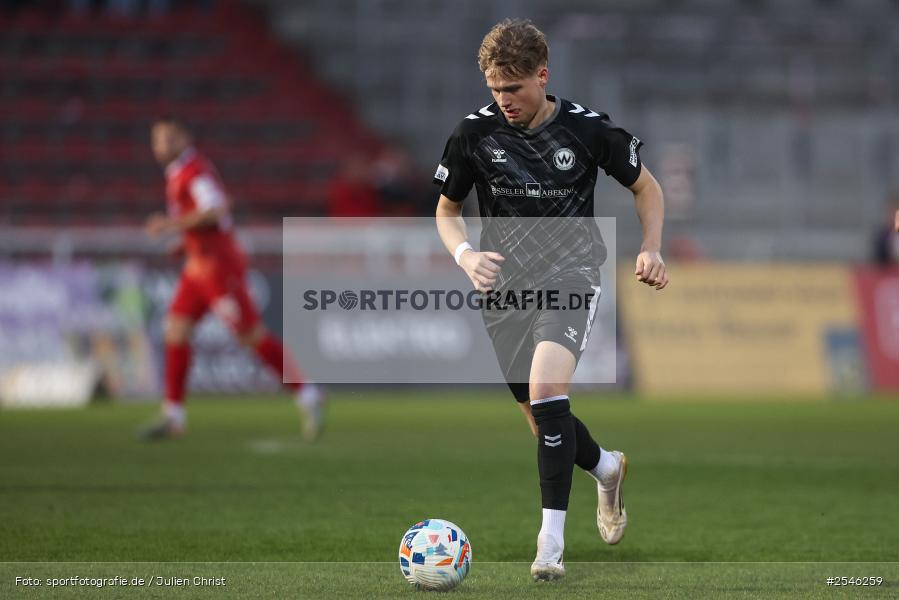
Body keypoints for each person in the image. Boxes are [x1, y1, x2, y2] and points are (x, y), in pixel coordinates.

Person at [434, 19, 667, 581]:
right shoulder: (473, 134)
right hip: (504, 290)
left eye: (513, 88)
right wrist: (466, 257)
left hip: (571, 275)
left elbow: (647, 188)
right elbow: (446, 210)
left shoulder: (588, 132)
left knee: (545, 391)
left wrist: (652, 249)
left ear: (543, 75)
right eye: (494, 89)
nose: (503, 100)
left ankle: (549, 545)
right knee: (544, 424)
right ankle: (607, 468)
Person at [142, 117, 324, 440]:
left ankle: (307, 392)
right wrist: (185, 243)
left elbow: (217, 209)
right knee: (176, 330)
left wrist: (171, 226)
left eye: (169, 138)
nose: (162, 145)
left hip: (218, 268)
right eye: (158, 140)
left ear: (186, 138)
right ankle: (173, 416)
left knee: (250, 336)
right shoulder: (179, 172)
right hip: (197, 266)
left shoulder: (193, 171)